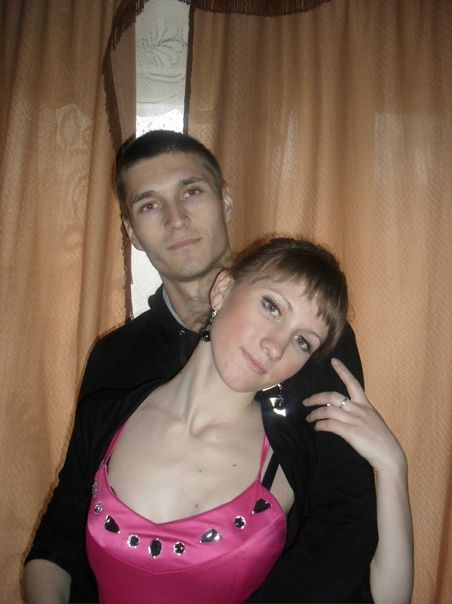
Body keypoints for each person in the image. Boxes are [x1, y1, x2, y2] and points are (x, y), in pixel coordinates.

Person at [25, 131, 377, 603]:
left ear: (226, 201)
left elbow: (343, 523)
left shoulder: (307, 342)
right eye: (150, 204)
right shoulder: (115, 357)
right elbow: (62, 535)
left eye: (191, 191)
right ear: (132, 231)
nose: (176, 219)